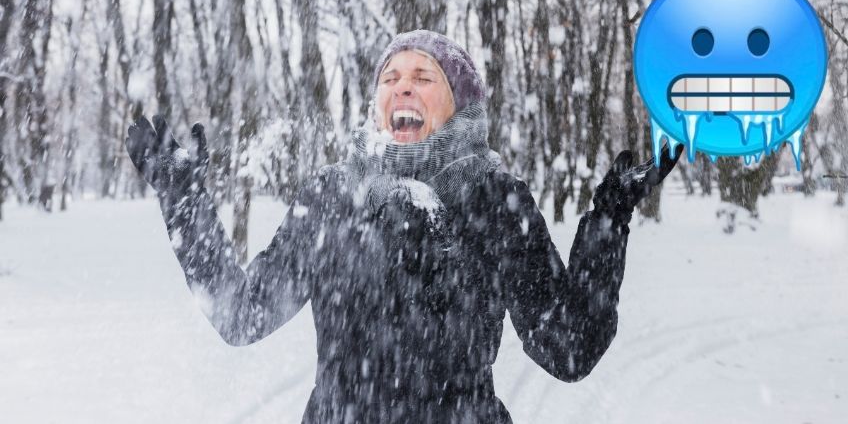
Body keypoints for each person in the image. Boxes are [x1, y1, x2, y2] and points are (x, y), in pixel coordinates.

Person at [126, 30, 681, 423]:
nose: (402, 87)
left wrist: (610, 217)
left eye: (423, 76)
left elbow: (568, 348)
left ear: (459, 103)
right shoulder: (332, 196)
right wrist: (183, 200)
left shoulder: (494, 200)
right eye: (390, 77)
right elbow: (240, 314)